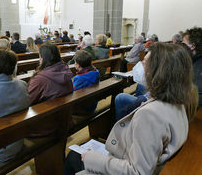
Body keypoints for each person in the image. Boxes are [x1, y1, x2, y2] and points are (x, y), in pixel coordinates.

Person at [65, 42, 198, 175]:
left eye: (145, 63)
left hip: (122, 165)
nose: (139, 66)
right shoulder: (179, 101)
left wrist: (92, 158)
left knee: (73, 157)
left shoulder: (150, 115)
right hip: (133, 157)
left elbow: (137, 171)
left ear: (159, 72)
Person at [28, 43, 73, 136]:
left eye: (40, 57)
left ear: (44, 58)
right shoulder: (65, 70)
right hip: (64, 119)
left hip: (45, 126)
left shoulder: (41, 79)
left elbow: (27, 101)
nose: (39, 59)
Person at [186, 27, 202, 107]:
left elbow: (196, 98)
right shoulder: (193, 61)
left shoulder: (197, 67)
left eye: (184, 43)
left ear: (192, 46)